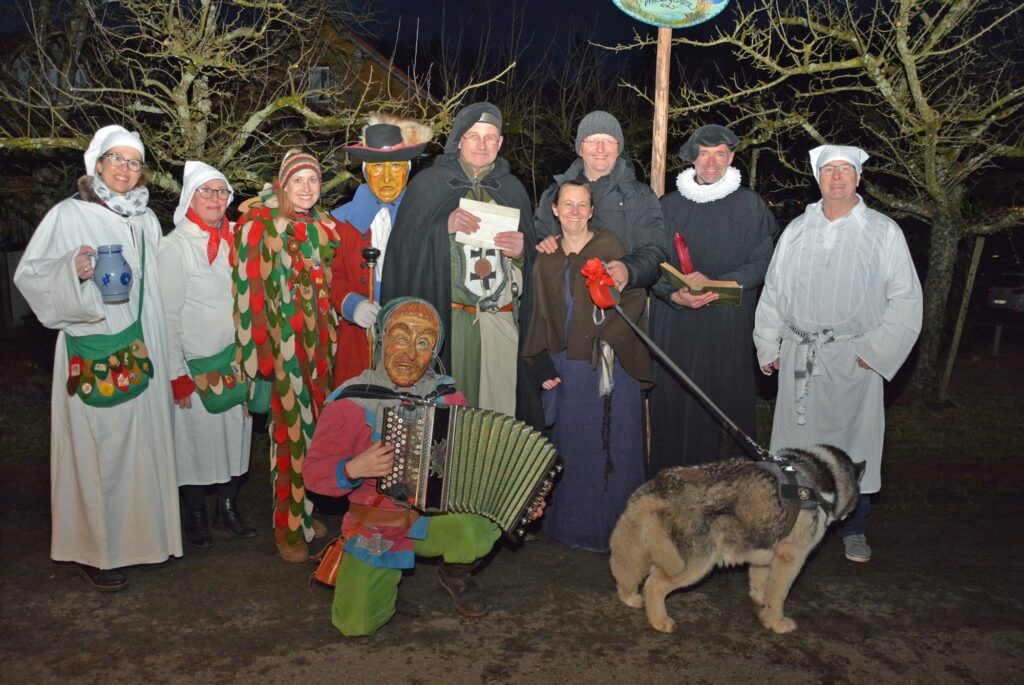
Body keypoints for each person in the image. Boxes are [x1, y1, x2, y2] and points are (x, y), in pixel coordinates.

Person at [14, 125, 181, 591]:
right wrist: (74, 270)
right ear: (98, 165)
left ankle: (148, 540)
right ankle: (97, 552)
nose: (126, 169)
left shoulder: (145, 218)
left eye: (134, 161)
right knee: (99, 448)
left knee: (144, 442)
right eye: (117, 160)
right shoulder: (70, 215)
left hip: (142, 343)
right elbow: (31, 275)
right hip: (95, 345)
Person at [753, 144, 923, 563]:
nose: (837, 178)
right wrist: (767, 342)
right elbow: (773, 292)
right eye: (829, 170)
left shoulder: (883, 231)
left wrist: (877, 351)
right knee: (797, 448)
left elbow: (905, 299)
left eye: (845, 170)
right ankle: (792, 527)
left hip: (852, 359)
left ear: (858, 179)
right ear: (818, 178)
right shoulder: (796, 231)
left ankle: (854, 529)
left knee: (853, 449)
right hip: (799, 357)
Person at [305, 298, 509, 636]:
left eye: (424, 342)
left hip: (428, 521)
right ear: (383, 340)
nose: (410, 353)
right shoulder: (351, 400)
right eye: (401, 337)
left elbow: (474, 464)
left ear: (434, 352)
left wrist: (518, 500)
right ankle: (382, 577)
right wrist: (353, 468)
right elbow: (313, 473)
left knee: (478, 531)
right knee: (354, 625)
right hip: (377, 526)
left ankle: (454, 574)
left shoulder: (447, 398)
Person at [380, 102, 541, 428]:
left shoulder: (511, 190)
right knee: (451, 423)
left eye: (490, 137)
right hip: (449, 325)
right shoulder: (429, 185)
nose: (482, 145)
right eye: (474, 136)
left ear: (500, 144)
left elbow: (532, 264)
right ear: (458, 140)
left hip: (500, 324)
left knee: (498, 421)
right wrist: (442, 226)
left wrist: (523, 251)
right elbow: (403, 250)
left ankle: (494, 479)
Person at [521, 181, 652, 552]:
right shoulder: (545, 257)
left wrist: (606, 335)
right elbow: (538, 315)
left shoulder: (610, 248)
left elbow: (633, 297)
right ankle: (571, 528)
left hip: (608, 363)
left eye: (582, 205)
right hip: (568, 366)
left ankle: (621, 532)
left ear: (592, 211)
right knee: (572, 448)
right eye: (568, 204)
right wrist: (541, 363)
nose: (575, 211)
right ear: (556, 211)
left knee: (614, 446)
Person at [647, 124, 776, 475]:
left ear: (731, 157)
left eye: (720, 153)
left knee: (726, 409)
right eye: (704, 154)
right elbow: (650, 261)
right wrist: (673, 293)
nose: (712, 161)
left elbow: (764, 260)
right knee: (678, 407)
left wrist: (722, 284)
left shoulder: (751, 206)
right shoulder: (668, 206)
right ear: (693, 159)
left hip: (727, 325)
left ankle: (732, 494)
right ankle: (673, 490)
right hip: (678, 326)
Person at [232, 149, 339, 562]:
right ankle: (288, 530)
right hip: (283, 350)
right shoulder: (259, 225)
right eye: (298, 181)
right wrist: (257, 352)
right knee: (290, 436)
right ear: (282, 184)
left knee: (314, 434)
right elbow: (247, 290)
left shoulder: (323, 227)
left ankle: (306, 514)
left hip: (319, 351)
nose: (307, 188)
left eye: (313, 180)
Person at [159, 161, 256, 549]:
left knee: (236, 436)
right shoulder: (175, 246)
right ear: (190, 198)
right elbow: (167, 316)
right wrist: (175, 373)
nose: (215, 199)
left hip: (236, 361)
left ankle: (227, 507)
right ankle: (196, 513)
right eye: (206, 191)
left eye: (222, 192)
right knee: (194, 442)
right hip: (195, 365)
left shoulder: (241, 238)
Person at [330, 114, 433, 387]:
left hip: (409, 341)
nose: (387, 177)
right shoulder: (340, 222)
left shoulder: (423, 222)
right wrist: (352, 305)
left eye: (396, 167)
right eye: (377, 168)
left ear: (408, 170)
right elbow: (333, 276)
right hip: (357, 342)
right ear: (365, 172)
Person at [534, 110, 668, 291]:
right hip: (563, 305)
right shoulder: (554, 195)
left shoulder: (640, 197)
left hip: (619, 306)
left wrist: (629, 270)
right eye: (592, 140)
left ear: (618, 148)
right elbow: (536, 242)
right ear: (580, 148)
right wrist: (545, 243)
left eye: (607, 141)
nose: (600, 148)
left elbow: (656, 253)